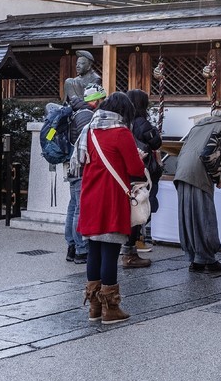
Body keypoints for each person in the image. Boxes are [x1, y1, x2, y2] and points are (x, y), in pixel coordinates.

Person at [77, 91, 143, 324]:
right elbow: (135, 169)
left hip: (89, 196)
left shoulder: (90, 131)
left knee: (94, 250)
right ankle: (110, 309)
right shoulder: (121, 133)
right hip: (111, 198)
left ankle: (94, 308)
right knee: (110, 251)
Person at [174, 107, 221, 273]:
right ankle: (207, 258)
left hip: (181, 172)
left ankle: (195, 259)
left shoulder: (198, 126)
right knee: (204, 215)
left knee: (187, 216)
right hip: (200, 174)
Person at [120, 89, 162, 268]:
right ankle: (130, 251)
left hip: (126, 172)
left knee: (130, 210)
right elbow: (156, 142)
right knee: (141, 208)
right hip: (142, 172)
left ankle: (129, 247)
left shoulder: (123, 123)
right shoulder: (142, 123)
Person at [64, 83, 105, 264]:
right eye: (102, 99)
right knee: (79, 208)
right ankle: (81, 249)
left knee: (73, 206)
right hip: (81, 168)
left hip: (72, 167)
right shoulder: (87, 116)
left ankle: (72, 246)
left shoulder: (75, 112)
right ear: (95, 101)